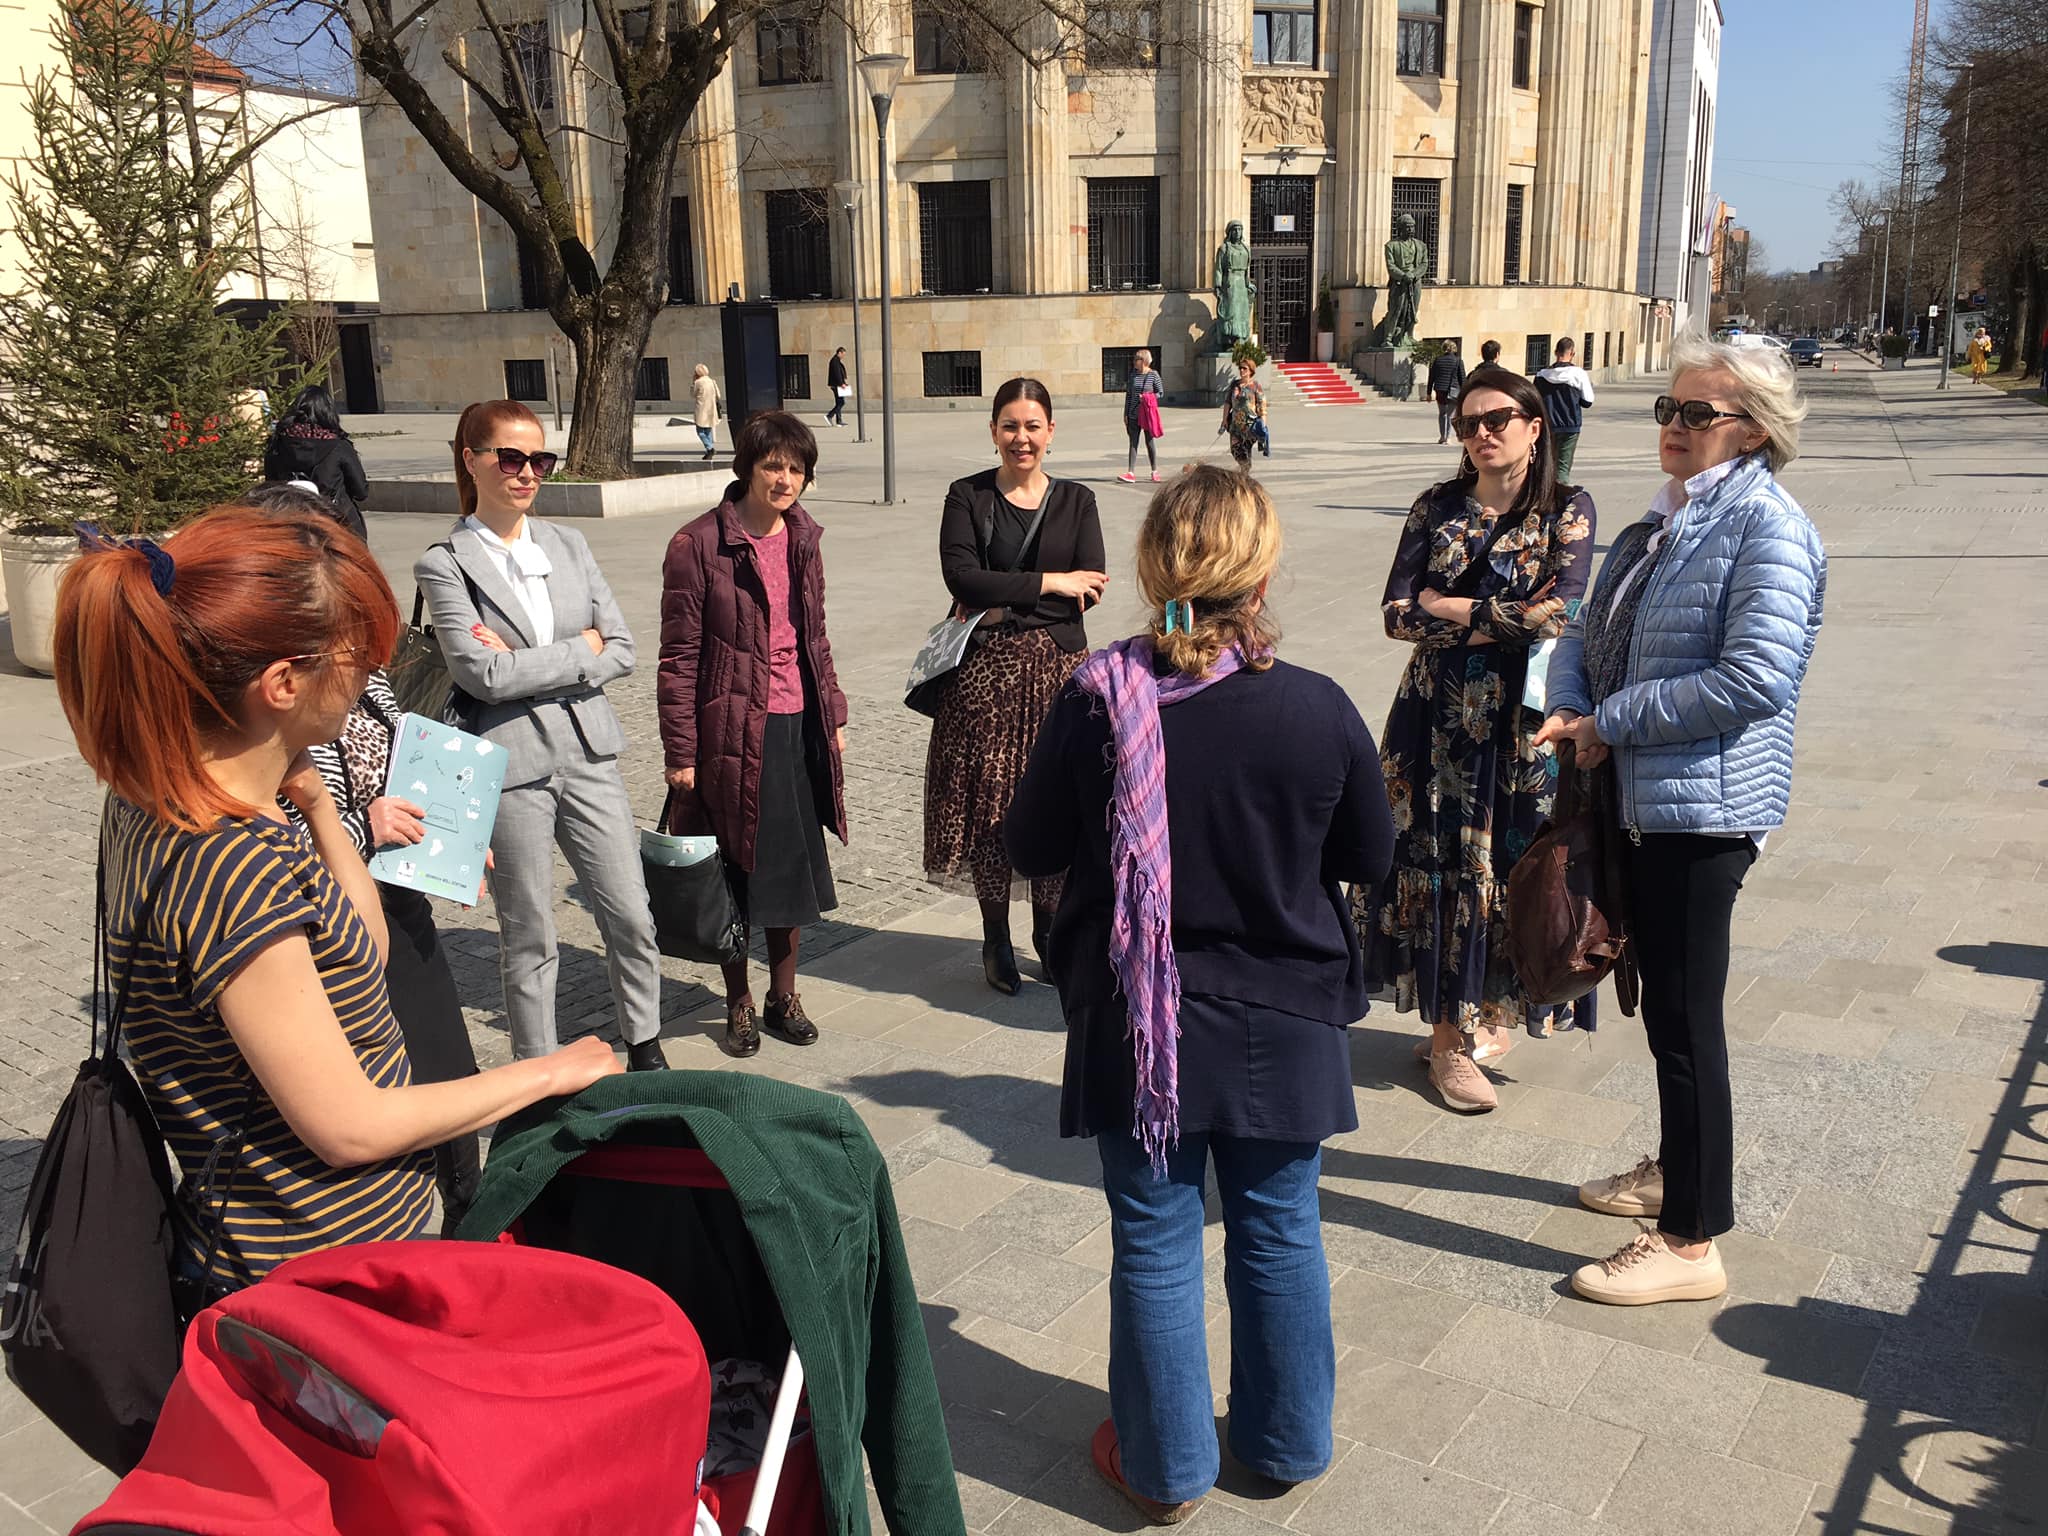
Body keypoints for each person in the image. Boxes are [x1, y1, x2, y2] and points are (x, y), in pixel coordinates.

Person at [51, 506, 622, 1298]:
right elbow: (348, 1124)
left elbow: (362, 946)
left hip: (347, 1239)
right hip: (314, 1269)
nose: (372, 675)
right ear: (281, 684)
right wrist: (548, 1073)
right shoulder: (227, 861)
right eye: (359, 657)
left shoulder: (168, 796)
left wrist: (317, 803)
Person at [1004, 466, 1394, 1524]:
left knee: (1157, 1236)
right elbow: (1369, 853)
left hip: (1140, 1013)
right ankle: (1282, 1445)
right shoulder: (1316, 707)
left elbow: (1028, 844)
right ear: (1261, 571)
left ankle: (1166, 1468)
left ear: (1148, 566)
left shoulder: (1096, 702)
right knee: (1277, 1228)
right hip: (1282, 1009)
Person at [1535, 331, 1824, 1305]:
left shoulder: (1766, 529)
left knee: (1685, 1021)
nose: (1670, 425)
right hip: (1644, 800)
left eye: (1693, 413)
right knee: (1662, 1010)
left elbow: (1752, 679)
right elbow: (1588, 628)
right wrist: (1569, 703)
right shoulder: (1661, 521)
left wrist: (1608, 721)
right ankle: (1673, 1172)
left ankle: (1690, 1241)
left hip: (1703, 810)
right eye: (1665, 408)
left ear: (1749, 431)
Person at [240, 481, 486, 1230]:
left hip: (396, 896)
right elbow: (271, 831)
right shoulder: (258, 697)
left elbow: (394, 745)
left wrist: (449, 829)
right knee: (383, 1090)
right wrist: (354, 824)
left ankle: (464, 1220)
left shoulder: (354, 657)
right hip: (325, 925)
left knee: (445, 1067)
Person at [1353, 366, 1598, 1114]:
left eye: (1498, 419)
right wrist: (1494, 612)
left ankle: (1487, 1008)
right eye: (1468, 423)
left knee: (1512, 864)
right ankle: (1447, 1037)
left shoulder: (1568, 508)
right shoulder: (1437, 506)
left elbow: (1561, 611)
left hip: (1520, 725)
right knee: (1434, 860)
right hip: (1432, 721)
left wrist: (1450, 605)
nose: (1482, 433)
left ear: (1534, 426)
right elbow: (1396, 615)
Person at [415, 400, 668, 1069]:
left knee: (631, 913)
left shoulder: (568, 544)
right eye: (510, 457)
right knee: (529, 933)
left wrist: (536, 662)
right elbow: (482, 675)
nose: (527, 472)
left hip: (589, 752)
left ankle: (644, 1042)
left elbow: (622, 648)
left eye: (539, 459)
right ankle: (537, 1068)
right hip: (512, 764)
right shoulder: (447, 562)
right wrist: (574, 651)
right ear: (471, 459)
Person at [658, 412, 849, 1059]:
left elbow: (814, 634)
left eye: (796, 468)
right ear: (747, 465)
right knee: (736, 873)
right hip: (732, 732)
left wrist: (835, 713)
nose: (785, 478)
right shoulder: (698, 545)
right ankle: (737, 1000)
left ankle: (783, 994)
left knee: (789, 874)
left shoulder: (804, 538)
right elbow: (679, 657)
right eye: (773, 465)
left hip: (796, 724)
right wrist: (681, 750)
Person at [924, 378, 1106, 995]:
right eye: (1009, 425)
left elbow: (1092, 589)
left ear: (1051, 432)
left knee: (1054, 800)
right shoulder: (967, 496)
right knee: (991, 808)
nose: (1021, 437)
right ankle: (995, 935)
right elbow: (962, 580)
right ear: (993, 430)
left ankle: (1049, 931)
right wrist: (1051, 583)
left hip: (1057, 677)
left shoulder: (1078, 501)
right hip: (985, 679)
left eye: (1032, 426)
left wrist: (1015, 597)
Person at [262, 383, 371, 537]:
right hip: (337, 524)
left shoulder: (278, 444)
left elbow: (270, 484)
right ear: (328, 413)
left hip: (291, 524)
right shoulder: (338, 446)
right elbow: (361, 491)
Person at [1534, 336, 1595, 479]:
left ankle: (1546, 495)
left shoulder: (1542, 375)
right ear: (1572, 353)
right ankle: (1561, 497)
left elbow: (1535, 400)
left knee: (1547, 465)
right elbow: (1588, 401)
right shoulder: (1578, 374)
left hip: (1548, 426)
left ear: (1555, 352)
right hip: (1570, 425)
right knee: (1563, 467)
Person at [1119, 349, 1164, 484]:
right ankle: (1130, 472)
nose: (1133, 362)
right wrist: (1125, 413)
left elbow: (1160, 392)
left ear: (1143, 361)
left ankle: (1154, 471)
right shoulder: (1133, 375)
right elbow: (1129, 395)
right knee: (1133, 442)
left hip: (1147, 414)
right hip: (1133, 414)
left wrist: (1147, 397)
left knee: (1149, 442)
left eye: (1136, 359)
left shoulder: (1153, 375)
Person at [1219, 357, 1266, 469]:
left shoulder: (1255, 386)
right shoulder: (1234, 384)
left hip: (1250, 425)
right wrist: (1224, 420)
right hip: (1235, 425)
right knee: (1234, 449)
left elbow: (1262, 407)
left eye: (1244, 368)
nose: (1241, 371)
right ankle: (1245, 469)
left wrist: (1263, 425)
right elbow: (1227, 403)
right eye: (1240, 368)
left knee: (1245, 449)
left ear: (1251, 370)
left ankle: (1245, 471)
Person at [1426, 340, 1466, 444]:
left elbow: (1431, 377)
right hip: (1454, 390)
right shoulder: (1458, 361)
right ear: (1454, 348)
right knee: (1450, 415)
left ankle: (1442, 436)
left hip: (1440, 389)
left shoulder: (1437, 360)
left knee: (1442, 413)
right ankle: (1448, 437)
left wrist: (1429, 393)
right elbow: (1462, 378)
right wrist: (1465, 392)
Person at [692, 364, 721, 460]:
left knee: (700, 431)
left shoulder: (698, 382)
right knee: (708, 430)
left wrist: (693, 383)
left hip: (701, 409)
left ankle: (710, 448)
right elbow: (718, 395)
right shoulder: (712, 381)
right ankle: (709, 452)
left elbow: (692, 394)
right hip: (711, 409)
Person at [825, 347, 849, 426]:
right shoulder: (835, 361)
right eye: (843, 354)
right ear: (839, 353)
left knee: (838, 402)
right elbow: (837, 373)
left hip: (837, 384)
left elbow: (840, 373)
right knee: (841, 402)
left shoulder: (837, 361)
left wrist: (843, 382)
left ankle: (839, 421)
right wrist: (841, 383)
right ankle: (829, 415)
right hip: (836, 385)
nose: (843, 356)